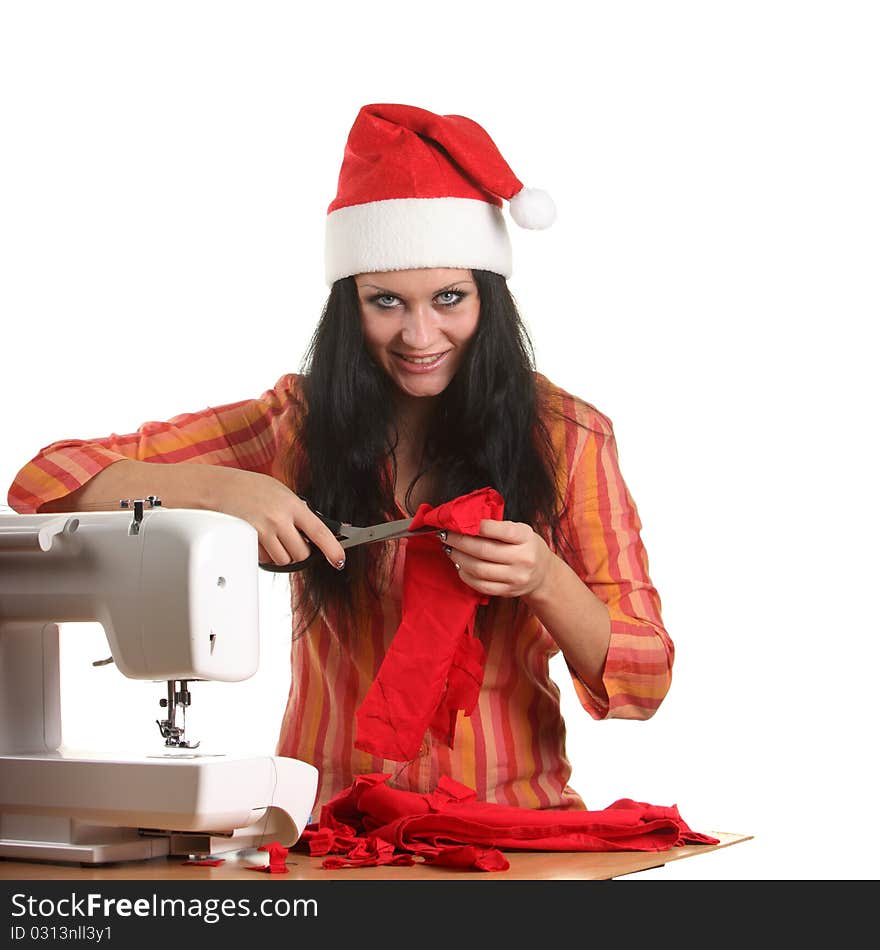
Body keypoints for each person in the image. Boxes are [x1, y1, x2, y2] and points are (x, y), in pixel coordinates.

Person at [7, 103, 673, 814]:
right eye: (385, 301)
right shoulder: (294, 424)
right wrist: (222, 489)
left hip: (511, 831)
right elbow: (46, 481)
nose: (420, 334)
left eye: (450, 298)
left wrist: (544, 577)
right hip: (330, 830)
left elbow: (646, 679)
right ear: (347, 305)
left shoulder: (570, 436)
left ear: (491, 297)